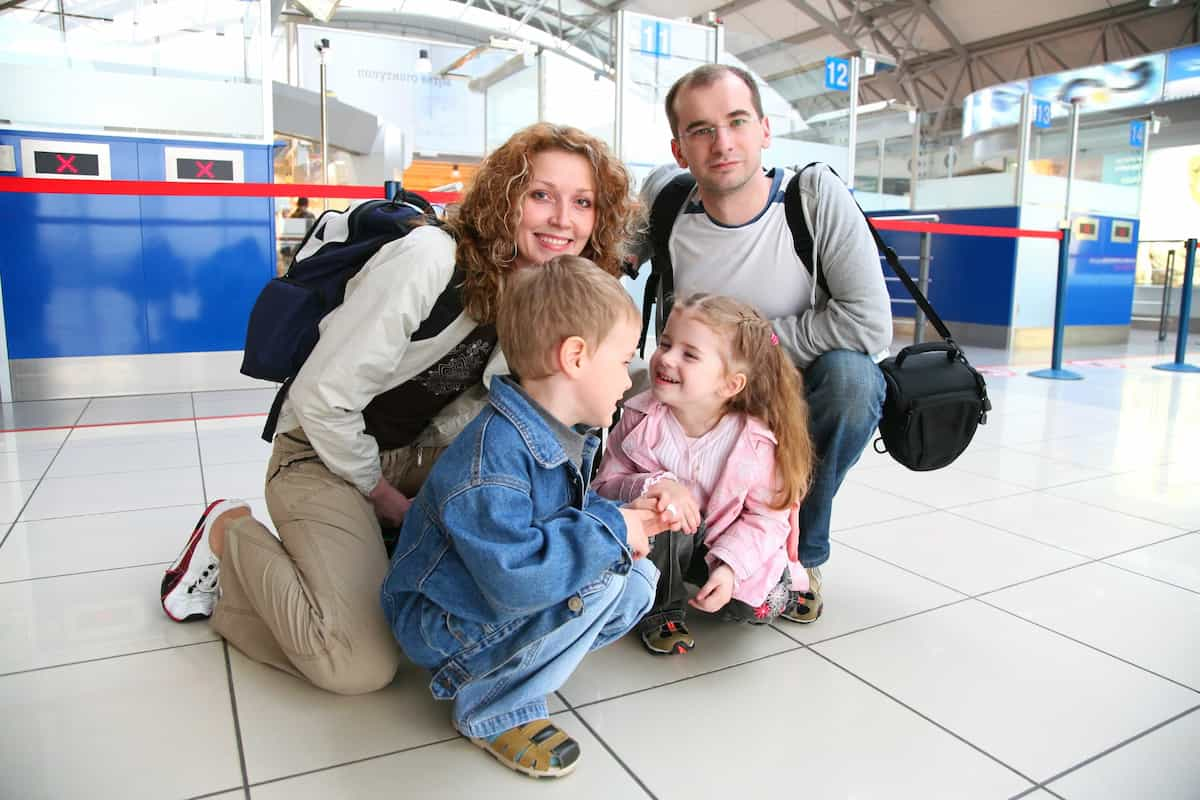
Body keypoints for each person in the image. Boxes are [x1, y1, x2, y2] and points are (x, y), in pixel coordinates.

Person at [159, 123, 641, 696]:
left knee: (446, 617)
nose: (564, 219)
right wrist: (381, 495)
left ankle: (367, 561)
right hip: (323, 452)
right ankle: (228, 536)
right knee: (358, 665)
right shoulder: (430, 259)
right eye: (541, 195)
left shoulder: (554, 295)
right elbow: (322, 399)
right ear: (505, 197)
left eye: (582, 202)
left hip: (429, 453)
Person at [381, 256, 669, 779]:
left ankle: (511, 666)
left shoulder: (562, 432)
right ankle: (493, 708)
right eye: (624, 360)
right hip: (443, 624)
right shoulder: (491, 459)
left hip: (482, 601)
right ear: (576, 357)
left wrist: (622, 522)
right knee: (605, 573)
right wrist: (615, 532)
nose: (629, 380)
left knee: (637, 580)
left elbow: (564, 519)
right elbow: (517, 579)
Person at [638, 64, 893, 623]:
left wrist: (747, 350)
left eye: (737, 121)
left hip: (789, 390)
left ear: (764, 130)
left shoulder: (811, 197)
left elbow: (871, 325)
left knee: (855, 382)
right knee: (624, 388)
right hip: (696, 397)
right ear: (680, 150)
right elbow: (595, 252)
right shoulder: (668, 205)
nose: (722, 142)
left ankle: (802, 555)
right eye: (701, 130)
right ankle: (658, 552)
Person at [593, 294, 814, 654]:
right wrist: (655, 486)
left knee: (753, 609)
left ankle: (782, 583)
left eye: (689, 354)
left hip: (726, 541)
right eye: (665, 343)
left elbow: (766, 519)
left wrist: (729, 568)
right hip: (666, 542)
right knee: (662, 512)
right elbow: (602, 487)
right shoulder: (638, 417)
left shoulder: (756, 442)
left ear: (730, 384)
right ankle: (661, 609)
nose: (666, 358)